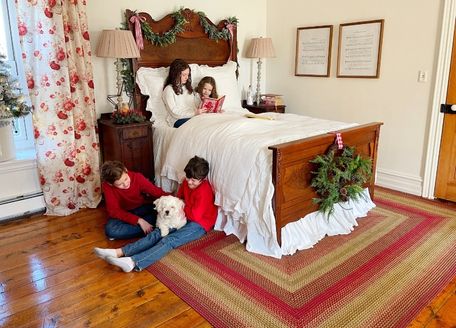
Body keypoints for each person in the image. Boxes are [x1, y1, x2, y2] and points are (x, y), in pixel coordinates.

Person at [94, 156, 218, 272]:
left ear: (202, 179)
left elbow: (193, 215)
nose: (190, 182)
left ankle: (133, 262)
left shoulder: (204, 191)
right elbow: (178, 198)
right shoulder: (185, 183)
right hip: (182, 215)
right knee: (157, 233)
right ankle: (119, 252)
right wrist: (175, 206)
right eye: (188, 178)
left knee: (169, 240)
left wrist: (180, 207)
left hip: (199, 224)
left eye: (194, 180)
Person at [101, 161, 168, 240]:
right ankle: (154, 225)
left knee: (161, 210)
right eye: (120, 184)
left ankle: (149, 226)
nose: (126, 184)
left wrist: (176, 199)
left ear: (126, 170)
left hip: (142, 207)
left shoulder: (137, 177)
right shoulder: (107, 186)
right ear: (110, 184)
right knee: (110, 230)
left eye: (126, 179)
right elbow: (114, 211)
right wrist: (139, 221)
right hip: (124, 213)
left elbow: (156, 192)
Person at [162, 59, 197, 128]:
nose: (187, 77)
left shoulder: (187, 88)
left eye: (188, 74)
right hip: (178, 120)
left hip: (193, 117)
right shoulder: (168, 90)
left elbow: (194, 105)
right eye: (184, 75)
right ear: (175, 74)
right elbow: (174, 112)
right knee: (199, 125)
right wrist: (194, 113)